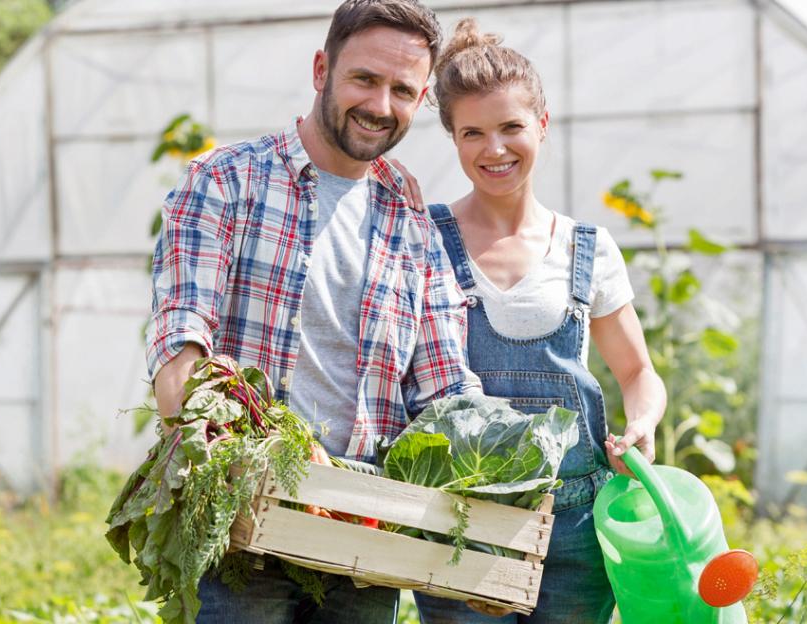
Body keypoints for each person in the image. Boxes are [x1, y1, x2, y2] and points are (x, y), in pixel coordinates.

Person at [145, 1, 482, 621]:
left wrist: (499, 493)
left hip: (366, 522)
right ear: (322, 69)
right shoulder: (226, 181)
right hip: (240, 516)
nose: (381, 105)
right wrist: (245, 452)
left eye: (402, 89)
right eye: (365, 79)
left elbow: (445, 386)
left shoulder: (409, 215)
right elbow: (180, 344)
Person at [405, 17, 668, 624]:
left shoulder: (587, 247)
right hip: (458, 518)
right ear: (453, 138)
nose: (494, 149)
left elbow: (637, 370)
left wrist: (644, 424)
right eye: (473, 132)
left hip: (575, 521)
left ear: (542, 126)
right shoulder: (422, 238)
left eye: (511, 127)